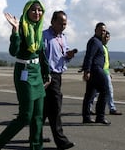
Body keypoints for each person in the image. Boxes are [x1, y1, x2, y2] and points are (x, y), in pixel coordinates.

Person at [0, 0, 50, 150]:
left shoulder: (38, 29)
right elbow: (13, 52)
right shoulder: (22, 28)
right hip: (24, 74)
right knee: (25, 117)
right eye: (33, 10)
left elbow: (41, 54)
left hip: (37, 74)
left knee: (38, 117)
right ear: (27, 11)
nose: (37, 13)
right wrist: (15, 31)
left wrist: (47, 73)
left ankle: (36, 147)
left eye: (40, 10)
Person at [42, 11, 76, 150]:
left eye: (65, 24)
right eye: (61, 23)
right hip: (48, 75)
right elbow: (41, 55)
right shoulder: (45, 36)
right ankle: (61, 141)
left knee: (45, 109)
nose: (63, 26)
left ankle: (35, 135)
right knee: (55, 107)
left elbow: (64, 54)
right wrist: (45, 74)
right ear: (53, 22)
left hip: (58, 74)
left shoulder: (63, 37)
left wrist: (69, 55)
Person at [81, 22, 111, 125]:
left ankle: (86, 117)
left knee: (90, 94)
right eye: (101, 30)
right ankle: (100, 117)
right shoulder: (94, 41)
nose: (103, 32)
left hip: (95, 70)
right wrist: (87, 70)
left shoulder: (99, 42)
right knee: (105, 91)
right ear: (96, 30)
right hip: (96, 70)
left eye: (104, 30)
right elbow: (89, 56)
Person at [88, 31, 122, 115]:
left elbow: (106, 62)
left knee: (101, 91)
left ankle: (110, 108)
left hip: (105, 72)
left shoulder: (105, 48)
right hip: (100, 72)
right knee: (104, 91)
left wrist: (109, 72)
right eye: (105, 37)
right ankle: (111, 109)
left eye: (108, 37)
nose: (106, 39)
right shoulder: (99, 46)